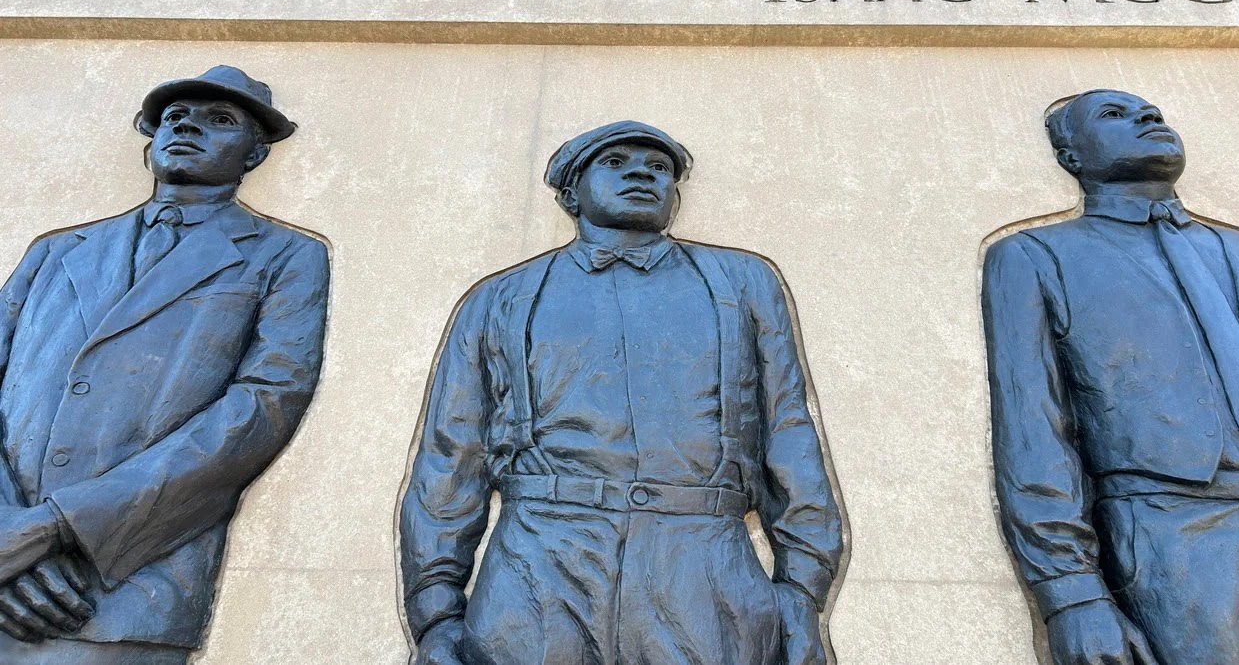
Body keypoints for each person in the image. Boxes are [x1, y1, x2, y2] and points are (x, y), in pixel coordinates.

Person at [399, 120, 843, 665]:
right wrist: (436, 613)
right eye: (614, 162)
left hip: (702, 566)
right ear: (570, 192)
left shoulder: (744, 282)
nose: (641, 172)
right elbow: (451, 458)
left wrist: (801, 593)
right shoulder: (501, 298)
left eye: (659, 168)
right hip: (539, 566)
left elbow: (789, 434)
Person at [0, 65, 330, 663]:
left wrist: (56, 528)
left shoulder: (287, 256)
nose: (188, 127)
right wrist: (6, 539)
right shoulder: (56, 251)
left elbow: (262, 406)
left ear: (255, 155)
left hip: (128, 587)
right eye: (177, 118)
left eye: (220, 120)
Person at [984, 88, 1239, 665]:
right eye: (1114, 115)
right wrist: (1071, 596)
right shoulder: (1037, 256)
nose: (1147, 117)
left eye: (1153, 112)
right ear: (1070, 157)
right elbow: (1034, 432)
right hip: (1179, 531)